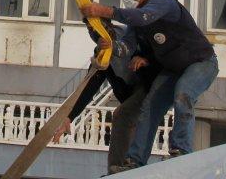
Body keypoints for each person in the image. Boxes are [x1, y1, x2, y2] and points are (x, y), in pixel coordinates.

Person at [80, 0, 218, 169]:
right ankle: (135, 161)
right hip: (172, 69)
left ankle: (181, 150)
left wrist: (102, 10)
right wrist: (110, 46)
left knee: (183, 93)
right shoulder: (136, 23)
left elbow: (142, 17)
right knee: (149, 108)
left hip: (201, 62)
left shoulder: (163, 2)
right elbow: (126, 46)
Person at [51, 23, 152, 174]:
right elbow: (89, 87)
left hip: (149, 87)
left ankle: (117, 170)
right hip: (130, 94)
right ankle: (123, 167)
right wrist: (69, 117)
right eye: (90, 30)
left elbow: (156, 49)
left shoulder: (129, 35)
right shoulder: (101, 54)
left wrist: (145, 59)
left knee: (122, 115)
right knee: (127, 124)